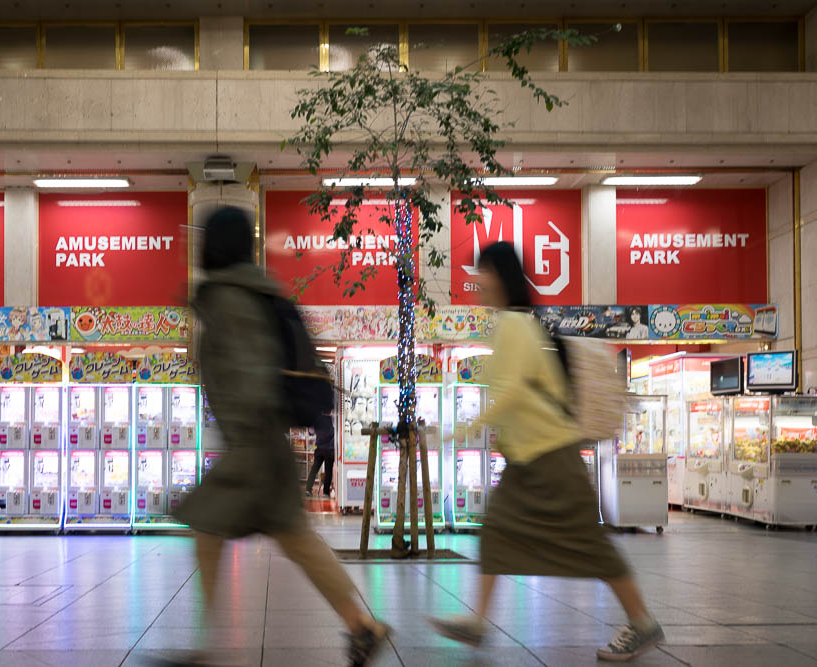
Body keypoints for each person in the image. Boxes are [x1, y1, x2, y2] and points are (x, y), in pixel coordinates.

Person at [174, 207, 390, 667]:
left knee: (207, 524)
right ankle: (362, 627)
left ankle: (206, 649)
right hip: (263, 442)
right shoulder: (253, 291)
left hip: (255, 444)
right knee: (295, 539)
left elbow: (250, 372)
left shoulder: (230, 299)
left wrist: (249, 431)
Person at [428, 242, 663, 662]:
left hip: (552, 458)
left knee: (590, 546)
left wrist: (455, 432)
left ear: (499, 276)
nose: (475, 280)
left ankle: (643, 623)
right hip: (526, 460)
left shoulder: (515, 327)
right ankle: (478, 622)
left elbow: (512, 393)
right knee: (496, 535)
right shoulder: (510, 325)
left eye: (481, 271)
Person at [305, 412, 335, 497]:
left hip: (319, 448)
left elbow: (311, 431)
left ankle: (308, 489)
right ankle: (325, 492)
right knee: (328, 471)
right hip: (330, 448)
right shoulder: (332, 418)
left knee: (314, 468)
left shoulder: (316, 418)